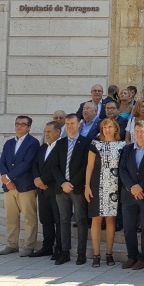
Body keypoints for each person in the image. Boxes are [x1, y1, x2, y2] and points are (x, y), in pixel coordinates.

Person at [52, 114, 92, 265]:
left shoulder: (86, 142)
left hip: (77, 188)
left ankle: (81, 253)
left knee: (81, 220)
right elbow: (54, 166)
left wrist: (71, 183)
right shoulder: (60, 143)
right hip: (61, 188)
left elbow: (85, 166)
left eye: (72, 123)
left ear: (79, 124)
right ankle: (65, 252)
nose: (69, 126)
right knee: (64, 220)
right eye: (67, 123)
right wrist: (63, 182)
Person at [119, 120, 144, 270]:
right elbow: (122, 170)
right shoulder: (127, 149)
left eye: (141, 132)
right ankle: (132, 256)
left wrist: (141, 187)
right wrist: (131, 187)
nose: (138, 135)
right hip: (129, 195)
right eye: (136, 132)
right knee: (129, 228)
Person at [84, 118, 125, 267]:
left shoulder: (122, 146)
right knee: (96, 219)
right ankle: (96, 254)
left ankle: (109, 253)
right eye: (104, 127)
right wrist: (87, 186)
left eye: (110, 127)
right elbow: (89, 166)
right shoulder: (95, 144)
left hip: (114, 186)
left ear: (116, 129)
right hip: (96, 185)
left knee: (110, 220)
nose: (107, 130)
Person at [0, 116, 40, 256]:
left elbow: (27, 163)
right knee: (11, 217)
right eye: (17, 124)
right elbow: (3, 161)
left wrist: (9, 177)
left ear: (29, 127)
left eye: (23, 124)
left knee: (29, 217)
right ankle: (12, 244)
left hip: (25, 186)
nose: (19, 126)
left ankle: (29, 246)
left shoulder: (33, 143)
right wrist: (6, 179)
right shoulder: (9, 143)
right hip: (9, 187)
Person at [31, 121, 63, 258]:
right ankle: (47, 247)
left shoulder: (62, 147)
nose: (47, 134)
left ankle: (60, 248)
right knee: (45, 219)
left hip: (55, 188)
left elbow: (58, 168)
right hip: (42, 190)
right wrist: (37, 179)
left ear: (57, 132)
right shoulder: (43, 147)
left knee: (58, 220)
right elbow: (35, 164)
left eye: (49, 132)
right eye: (46, 132)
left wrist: (43, 180)